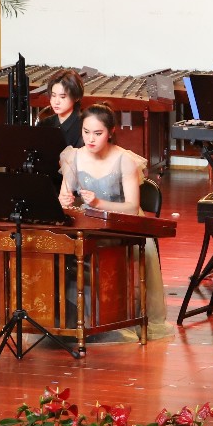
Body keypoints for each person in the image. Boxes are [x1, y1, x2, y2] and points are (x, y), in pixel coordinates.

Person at [59, 104, 168, 327]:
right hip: (88, 223)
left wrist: (98, 203)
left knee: (100, 249)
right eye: (86, 132)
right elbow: (64, 196)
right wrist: (65, 200)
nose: (90, 139)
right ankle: (71, 319)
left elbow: (132, 207)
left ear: (111, 132)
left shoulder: (124, 159)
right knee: (61, 247)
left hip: (121, 225)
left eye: (98, 133)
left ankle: (109, 318)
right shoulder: (73, 157)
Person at [40, 70, 85, 150]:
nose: (56, 102)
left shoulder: (84, 125)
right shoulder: (44, 124)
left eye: (62, 97)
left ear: (76, 97)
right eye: (53, 96)